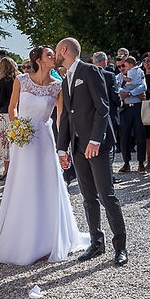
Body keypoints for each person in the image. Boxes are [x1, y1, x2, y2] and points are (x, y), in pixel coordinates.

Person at [0, 46, 89, 265]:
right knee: (23, 184)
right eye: (50, 55)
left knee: (46, 184)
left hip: (44, 138)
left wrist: (65, 147)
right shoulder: (21, 80)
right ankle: (22, 237)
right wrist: (16, 129)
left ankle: (48, 238)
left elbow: (61, 118)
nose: (55, 57)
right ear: (39, 60)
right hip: (23, 140)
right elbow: (12, 107)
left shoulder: (57, 86)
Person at [56, 37, 129, 266]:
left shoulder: (90, 71)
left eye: (57, 50)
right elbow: (67, 115)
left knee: (107, 196)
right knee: (88, 198)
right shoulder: (66, 77)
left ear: (65, 50)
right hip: (77, 148)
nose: (56, 54)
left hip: (98, 145)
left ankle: (121, 247)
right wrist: (61, 148)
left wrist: (96, 139)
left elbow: (103, 107)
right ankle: (97, 242)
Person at [117, 55, 147, 173]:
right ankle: (126, 163)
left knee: (140, 135)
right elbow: (117, 91)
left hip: (137, 108)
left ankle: (141, 163)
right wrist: (134, 93)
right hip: (125, 109)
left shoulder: (138, 73)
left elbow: (143, 87)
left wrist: (130, 94)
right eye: (119, 66)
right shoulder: (119, 77)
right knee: (124, 136)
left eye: (123, 65)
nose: (122, 68)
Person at [0, 57, 19, 180]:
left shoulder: (4, 80)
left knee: (5, 143)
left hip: (5, 112)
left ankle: (6, 171)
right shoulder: (20, 78)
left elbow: (0, 99)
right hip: (18, 112)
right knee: (17, 142)